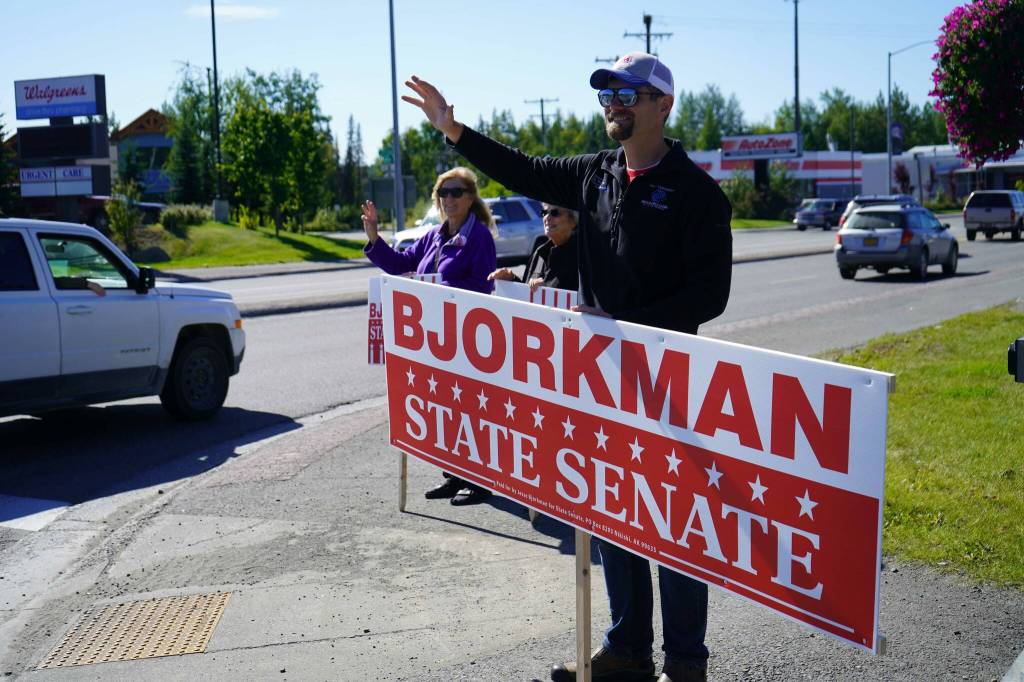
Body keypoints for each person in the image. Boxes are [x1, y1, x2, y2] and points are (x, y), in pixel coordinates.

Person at [403, 52, 732, 682]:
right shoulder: (595, 174)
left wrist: (634, 327)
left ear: (663, 105)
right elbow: (522, 168)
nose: (614, 102)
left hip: (670, 381)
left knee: (676, 525)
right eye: (606, 92)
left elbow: (710, 295)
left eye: (629, 93)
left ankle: (686, 662)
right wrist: (455, 131)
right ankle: (628, 649)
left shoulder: (696, 191)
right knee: (615, 513)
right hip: (603, 382)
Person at [362, 166, 497, 506]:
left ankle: (479, 482)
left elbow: (483, 285)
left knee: (469, 408)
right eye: (443, 194)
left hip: (466, 336)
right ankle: (454, 475)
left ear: (470, 198)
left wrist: (438, 288)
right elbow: (399, 263)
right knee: (445, 408)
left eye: (456, 193)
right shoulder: (433, 236)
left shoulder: (478, 236)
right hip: (434, 339)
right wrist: (374, 238)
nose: (449, 199)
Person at [489, 203, 579, 293]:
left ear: (573, 220)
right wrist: (510, 279)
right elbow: (526, 293)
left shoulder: (582, 257)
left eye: (554, 213)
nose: (547, 217)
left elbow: (583, 300)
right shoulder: (539, 253)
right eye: (544, 212)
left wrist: (546, 287)